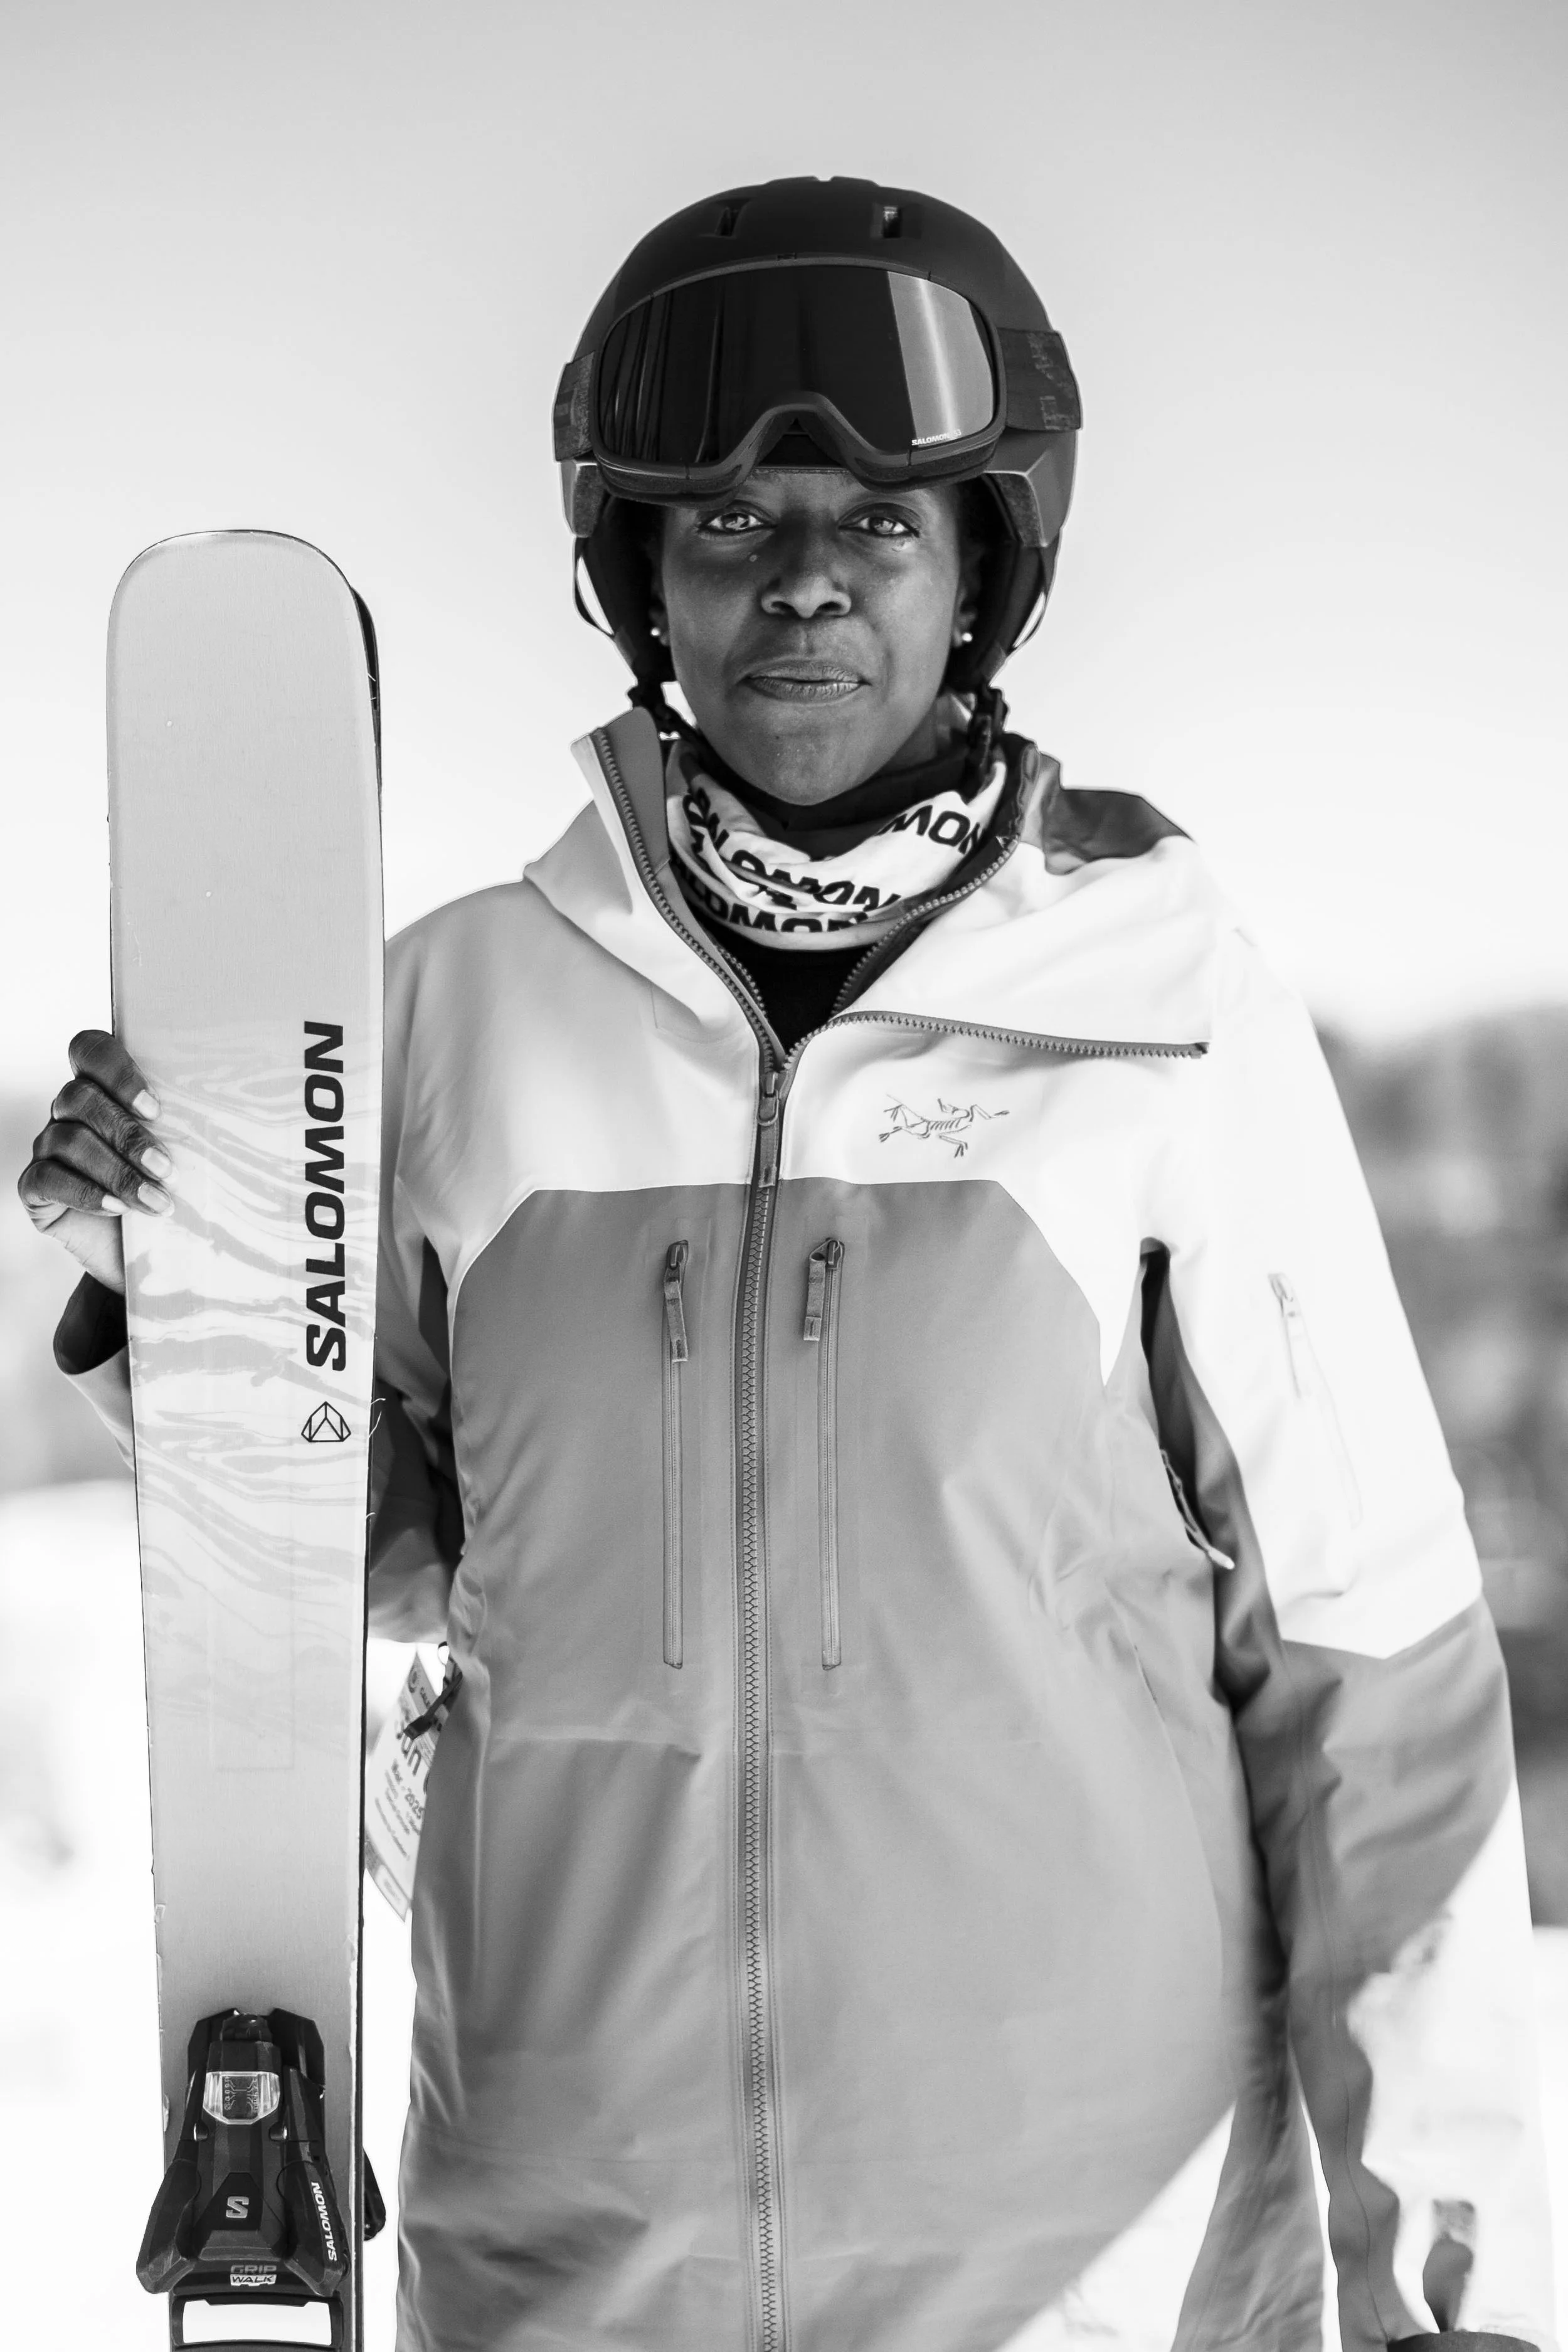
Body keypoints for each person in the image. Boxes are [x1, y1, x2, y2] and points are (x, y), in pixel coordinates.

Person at [19, 177, 1554, 2352]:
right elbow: (376, 1553)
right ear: (641, 576)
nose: (804, 581)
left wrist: (1451, 2289)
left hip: (1083, 2299)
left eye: (877, 522)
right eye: (729, 527)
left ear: (980, 570)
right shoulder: (461, 1007)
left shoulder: (1163, 1010)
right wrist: (175, 1302)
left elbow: (1375, 1703)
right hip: (567, 2285)